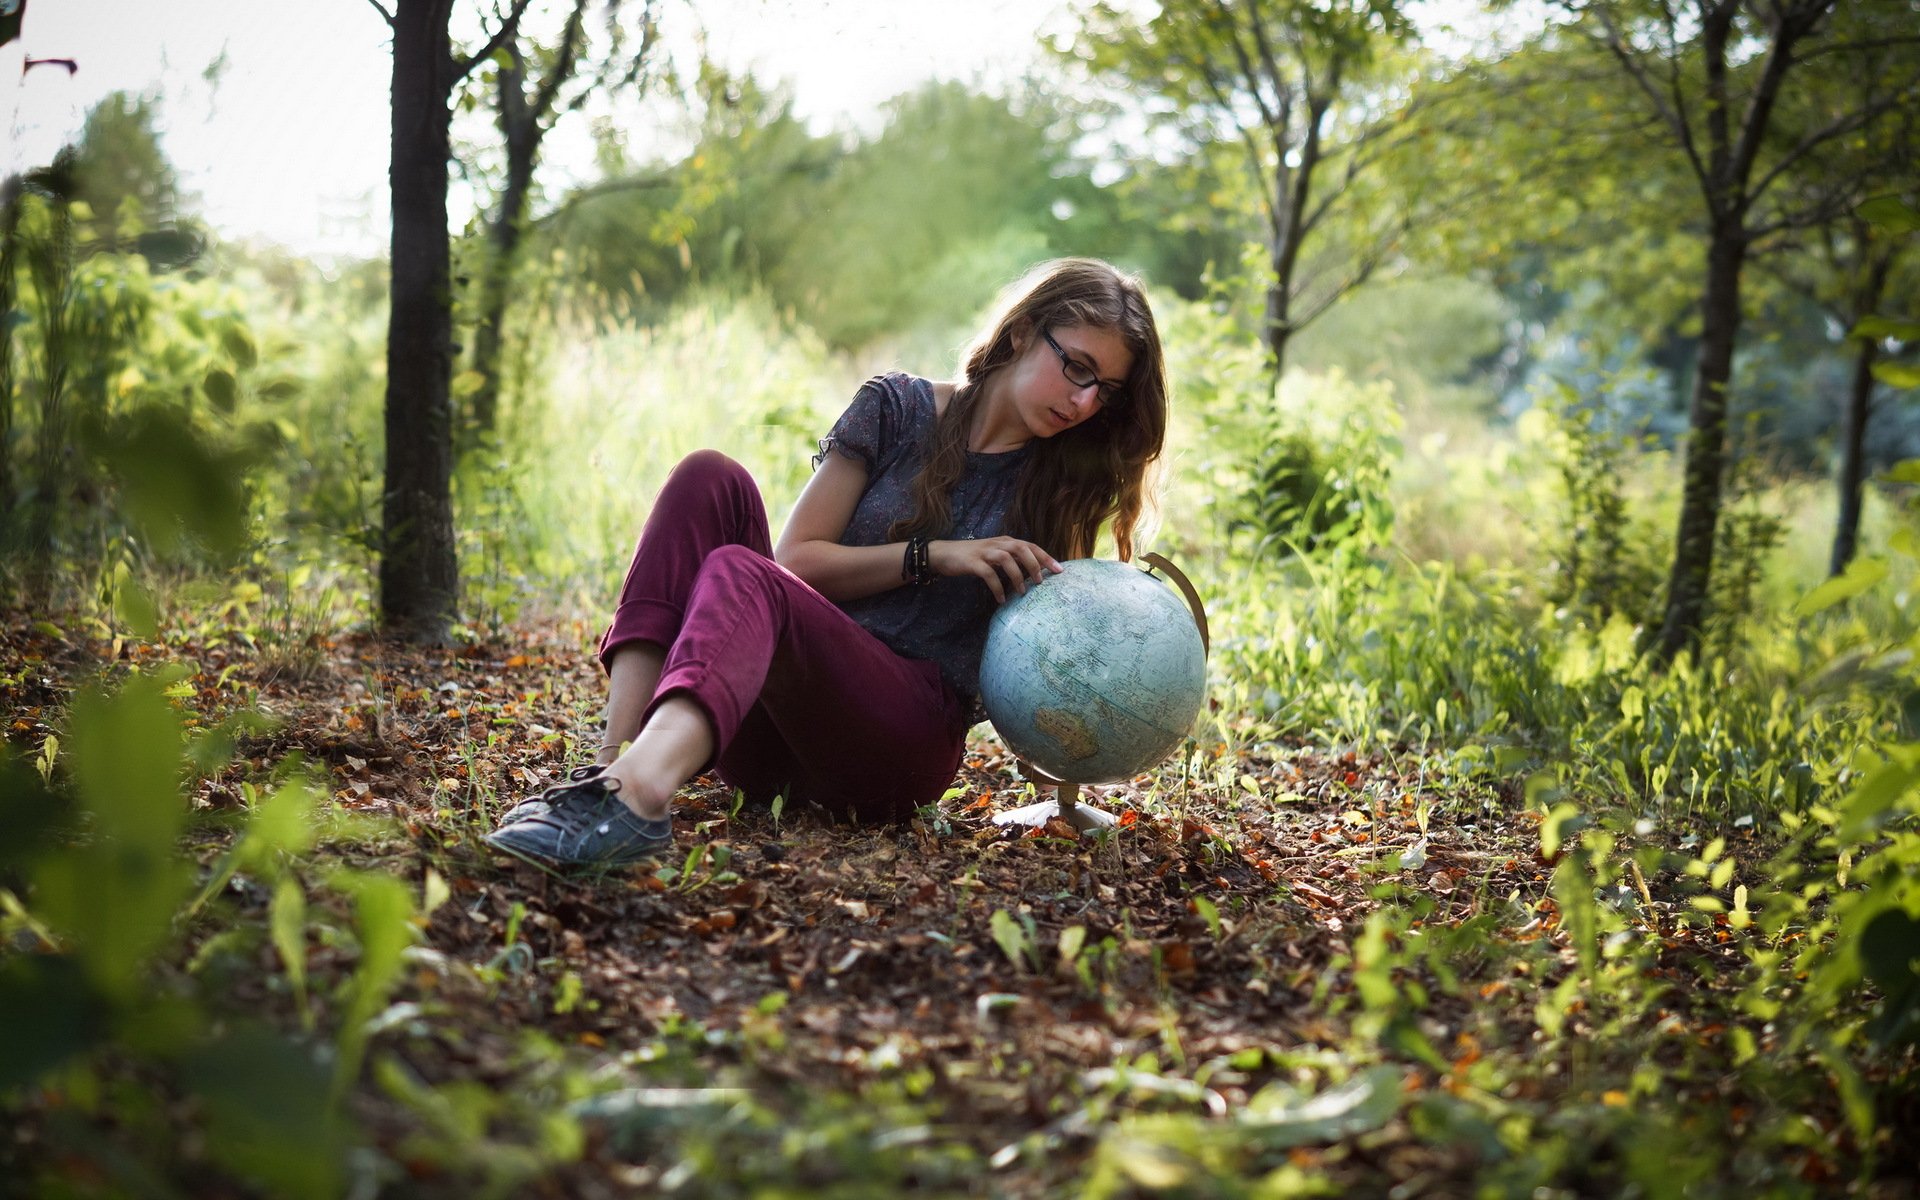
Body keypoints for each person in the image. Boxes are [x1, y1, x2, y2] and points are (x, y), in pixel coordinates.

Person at [484, 257, 1169, 869]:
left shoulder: (1064, 487)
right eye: (1077, 368)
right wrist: (936, 557)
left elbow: (1055, 652)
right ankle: (609, 775)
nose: (1084, 401)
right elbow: (797, 564)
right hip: (764, 726)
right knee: (708, 479)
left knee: (746, 574)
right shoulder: (896, 409)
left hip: (892, 745)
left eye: (1105, 391)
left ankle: (637, 796)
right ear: (1022, 333)